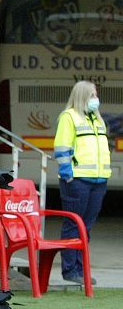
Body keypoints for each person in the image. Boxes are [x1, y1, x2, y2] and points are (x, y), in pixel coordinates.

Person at [54, 80, 111, 285]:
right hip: (77, 181)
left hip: (98, 181)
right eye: (93, 95)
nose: (96, 99)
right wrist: (68, 174)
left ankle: (81, 269)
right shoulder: (69, 117)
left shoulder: (97, 120)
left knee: (86, 226)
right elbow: (62, 147)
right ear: (82, 96)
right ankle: (70, 270)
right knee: (73, 224)